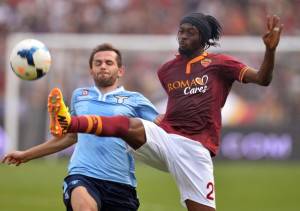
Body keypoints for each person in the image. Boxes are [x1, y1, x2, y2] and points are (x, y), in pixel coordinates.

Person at [46, 13, 282, 211]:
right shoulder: (167, 70)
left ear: (203, 37)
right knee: (128, 124)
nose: (183, 35)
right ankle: (69, 122)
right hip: (166, 138)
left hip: (195, 150)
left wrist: (270, 51)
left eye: (190, 32)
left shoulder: (221, 64)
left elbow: (263, 79)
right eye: (181, 31)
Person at [2, 43, 159, 211]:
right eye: (98, 63)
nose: (103, 66)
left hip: (121, 184)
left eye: (109, 62)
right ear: (91, 70)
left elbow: (162, 130)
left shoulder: (135, 100)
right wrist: (26, 154)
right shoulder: (80, 95)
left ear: (120, 70)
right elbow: (71, 136)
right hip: (83, 175)